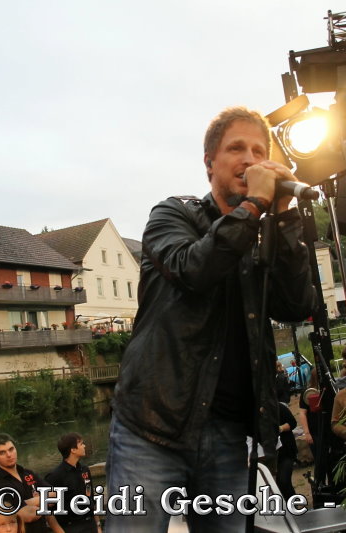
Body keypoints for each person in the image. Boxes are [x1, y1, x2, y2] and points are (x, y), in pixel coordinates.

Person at [106, 106, 315, 532]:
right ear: (209, 163)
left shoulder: (261, 235)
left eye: (259, 151)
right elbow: (194, 269)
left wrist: (284, 215)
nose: (250, 159)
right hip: (153, 424)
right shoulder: (172, 215)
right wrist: (255, 205)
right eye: (236, 148)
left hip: (227, 434)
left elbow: (296, 306)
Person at [0, 433, 64, 533]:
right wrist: (43, 501)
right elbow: (28, 516)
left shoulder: (27, 473)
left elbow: (56, 496)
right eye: (2, 452)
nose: (9, 455)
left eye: (11, 449)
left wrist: (26, 503)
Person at [45, 433, 100, 533]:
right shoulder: (55, 476)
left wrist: (98, 526)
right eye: (81, 444)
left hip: (90, 524)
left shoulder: (85, 470)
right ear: (73, 450)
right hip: (71, 527)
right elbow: (48, 510)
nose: (84, 446)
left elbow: (91, 499)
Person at [276, 400, 298, 500]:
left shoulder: (279, 407)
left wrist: (280, 428)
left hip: (286, 450)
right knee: (277, 484)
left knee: (283, 481)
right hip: (267, 454)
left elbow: (293, 423)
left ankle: (292, 504)